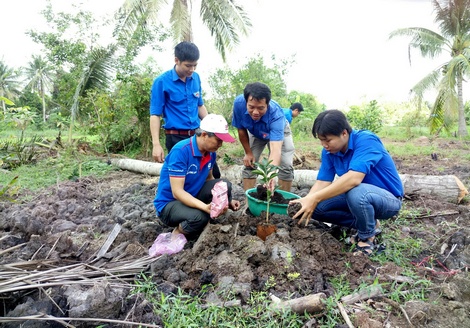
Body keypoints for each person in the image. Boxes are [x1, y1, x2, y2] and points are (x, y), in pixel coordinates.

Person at [290, 109, 403, 256]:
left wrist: (315, 198)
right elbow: (322, 182)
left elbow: (354, 179)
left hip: (388, 200)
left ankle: (367, 237)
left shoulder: (366, 140)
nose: (324, 145)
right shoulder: (330, 152)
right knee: (316, 207)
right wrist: (307, 202)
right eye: (321, 140)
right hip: (357, 195)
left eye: (328, 140)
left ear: (344, 133)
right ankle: (369, 223)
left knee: (357, 192)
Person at [154, 114, 240, 238]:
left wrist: (226, 201)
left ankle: (201, 216)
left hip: (192, 195)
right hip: (170, 204)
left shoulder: (210, 153)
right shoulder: (181, 151)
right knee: (200, 217)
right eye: (218, 140)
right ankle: (178, 232)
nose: (220, 144)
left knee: (224, 185)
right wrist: (205, 207)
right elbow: (177, 192)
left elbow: (209, 179)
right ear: (204, 135)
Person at [149, 41, 221, 178]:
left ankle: (213, 198)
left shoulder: (196, 78)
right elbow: (155, 115)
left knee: (211, 172)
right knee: (185, 176)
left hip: (197, 135)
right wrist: (156, 144)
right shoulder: (162, 82)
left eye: (195, 65)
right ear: (177, 60)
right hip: (176, 137)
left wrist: (212, 126)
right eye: (188, 65)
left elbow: (200, 105)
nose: (192, 69)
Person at [232, 82, 295, 192]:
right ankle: (249, 204)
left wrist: (270, 174)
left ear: (268, 104)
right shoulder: (238, 104)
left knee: (285, 165)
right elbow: (241, 129)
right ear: (246, 102)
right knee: (249, 163)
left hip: (279, 133)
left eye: (261, 108)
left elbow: (276, 150)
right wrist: (248, 153)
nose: (255, 112)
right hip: (256, 132)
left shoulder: (277, 115)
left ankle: (284, 203)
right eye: (251, 107)